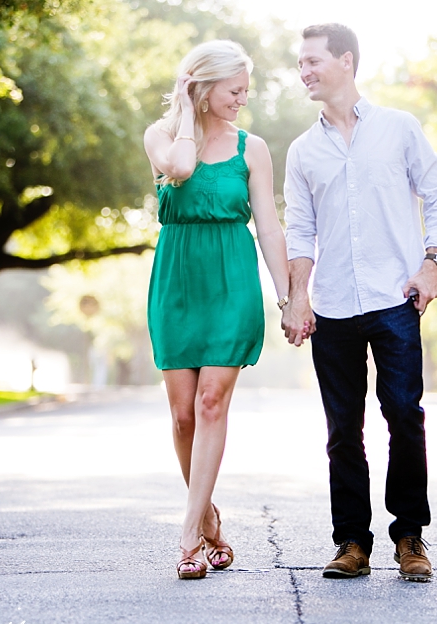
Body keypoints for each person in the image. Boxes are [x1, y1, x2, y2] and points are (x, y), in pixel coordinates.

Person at [281, 24, 437, 582]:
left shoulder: (399, 128)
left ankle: (410, 537)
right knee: (341, 428)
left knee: (404, 415)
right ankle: (352, 542)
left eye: (312, 61)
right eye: (300, 63)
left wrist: (433, 262)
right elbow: (300, 230)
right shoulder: (303, 150)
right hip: (332, 306)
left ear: (346, 60)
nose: (303, 71)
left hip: (393, 298)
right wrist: (296, 299)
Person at [144, 40, 291, 580]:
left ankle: (188, 538)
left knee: (210, 403)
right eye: (233, 90)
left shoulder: (252, 149)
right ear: (201, 87)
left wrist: (288, 295)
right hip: (178, 280)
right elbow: (180, 168)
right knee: (182, 414)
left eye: (245, 91)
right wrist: (185, 111)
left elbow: (269, 227)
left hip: (232, 278)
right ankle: (206, 516)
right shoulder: (161, 136)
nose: (242, 101)